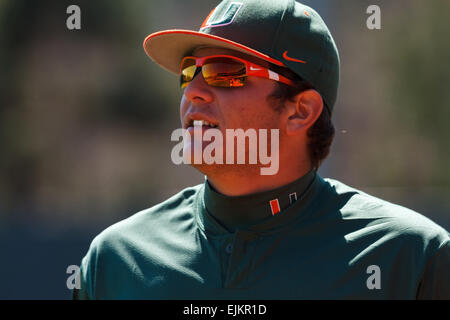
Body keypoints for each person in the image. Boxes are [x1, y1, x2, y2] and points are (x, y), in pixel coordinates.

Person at [73, 0, 449, 299]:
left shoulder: (409, 258)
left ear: (300, 111)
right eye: (189, 71)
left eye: (224, 71)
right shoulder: (116, 261)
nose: (192, 91)